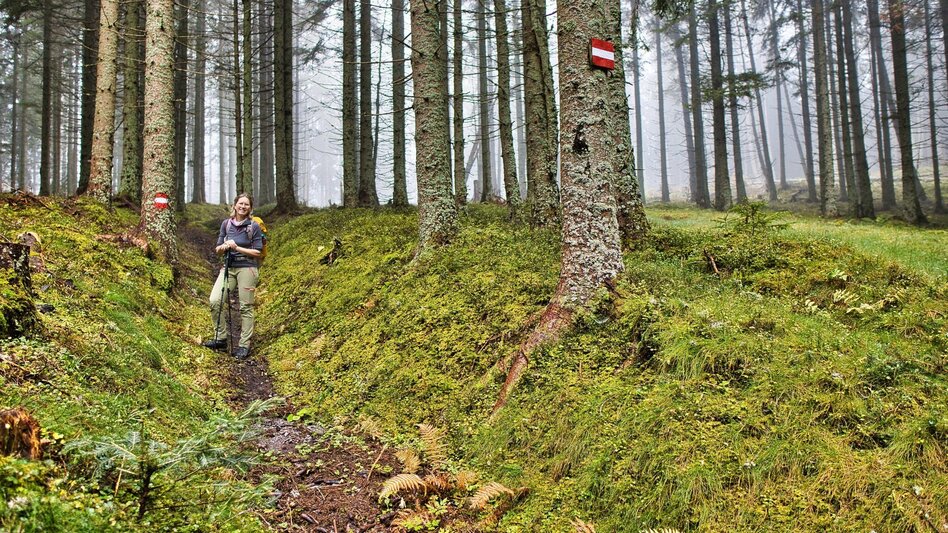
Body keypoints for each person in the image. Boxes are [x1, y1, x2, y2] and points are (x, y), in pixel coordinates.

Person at [202, 194, 262, 359]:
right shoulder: (226, 224)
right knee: (215, 300)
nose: (243, 207)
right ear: (234, 205)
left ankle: (244, 345)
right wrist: (224, 247)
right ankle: (220, 339)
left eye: (246, 205)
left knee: (245, 307)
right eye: (240, 203)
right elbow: (217, 249)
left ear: (250, 208)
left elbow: (257, 251)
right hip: (228, 267)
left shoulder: (253, 226)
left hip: (248, 269)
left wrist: (237, 248)